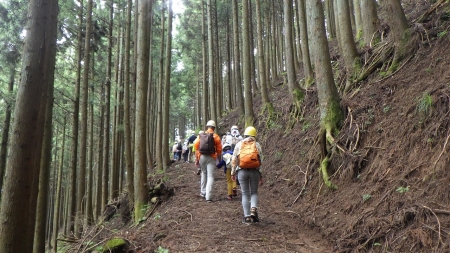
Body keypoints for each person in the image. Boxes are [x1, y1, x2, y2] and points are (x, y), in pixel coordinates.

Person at [231, 126, 263, 223]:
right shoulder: (257, 145)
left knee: (245, 193)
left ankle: (247, 217)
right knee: (254, 192)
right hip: (255, 171)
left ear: (245, 134)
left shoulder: (239, 144)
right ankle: (253, 209)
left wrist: (233, 172)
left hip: (242, 171)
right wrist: (261, 175)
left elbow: (234, 160)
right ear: (254, 135)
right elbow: (261, 160)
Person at [194, 120, 222, 202]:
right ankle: (208, 197)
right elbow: (219, 150)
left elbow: (196, 146)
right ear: (214, 128)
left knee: (204, 173)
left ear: (207, 127)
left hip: (202, 157)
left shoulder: (201, 135)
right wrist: (219, 160)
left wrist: (197, 159)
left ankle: (202, 192)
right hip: (211, 157)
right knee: (210, 176)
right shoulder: (216, 136)